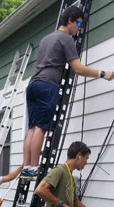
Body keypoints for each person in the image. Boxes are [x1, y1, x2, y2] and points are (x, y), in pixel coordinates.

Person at [22, 6, 114, 177]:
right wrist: (103, 74)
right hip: (47, 85)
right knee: (41, 128)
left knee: (32, 128)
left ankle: (27, 168)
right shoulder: (66, 39)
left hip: (33, 85)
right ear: (70, 20)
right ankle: (33, 168)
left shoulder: (46, 39)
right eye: (79, 23)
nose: (79, 27)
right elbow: (78, 68)